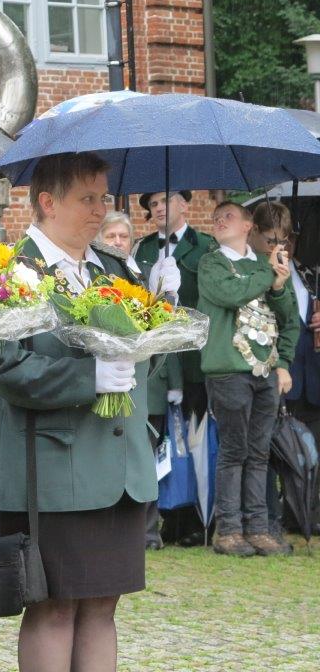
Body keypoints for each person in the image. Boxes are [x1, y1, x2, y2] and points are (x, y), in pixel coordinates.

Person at [0, 154, 175, 672]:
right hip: (52, 467)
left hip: (117, 468)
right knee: (54, 607)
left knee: (102, 605)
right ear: (47, 202)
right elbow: (4, 367)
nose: (101, 211)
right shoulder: (11, 269)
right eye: (87, 199)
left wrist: (162, 308)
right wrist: (85, 379)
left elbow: (142, 363)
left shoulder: (111, 268)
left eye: (104, 198)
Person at [198, 201, 298, 557]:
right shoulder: (211, 263)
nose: (219, 221)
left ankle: (258, 528)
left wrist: (280, 286)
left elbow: (289, 318)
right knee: (233, 451)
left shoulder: (264, 265)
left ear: (247, 224)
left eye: (228, 216)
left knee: (258, 453)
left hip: (264, 370)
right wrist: (267, 276)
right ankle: (228, 529)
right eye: (216, 218)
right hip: (228, 370)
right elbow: (230, 294)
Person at [97, 211, 183, 550]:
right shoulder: (99, 272)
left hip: (144, 381)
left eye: (123, 237)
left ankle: (145, 530)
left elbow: (160, 332)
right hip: (107, 376)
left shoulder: (140, 273)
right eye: (111, 236)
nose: (118, 242)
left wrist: (166, 295)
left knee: (145, 458)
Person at [134, 190, 215, 546]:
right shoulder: (144, 249)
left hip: (195, 358)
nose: (160, 207)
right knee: (161, 438)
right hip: (160, 358)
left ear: (186, 204)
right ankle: (162, 517)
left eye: (166, 201)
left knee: (195, 440)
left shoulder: (206, 246)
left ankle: (193, 520)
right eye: (153, 204)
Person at [251, 201, 320, 536]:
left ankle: (307, 516)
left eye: (287, 240)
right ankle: (270, 517)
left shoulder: (311, 275)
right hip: (273, 374)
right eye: (274, 241)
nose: (282, 247)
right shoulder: (257, 276)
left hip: (312, 379)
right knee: (270, 451)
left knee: (310, 452)